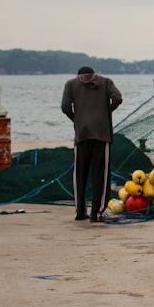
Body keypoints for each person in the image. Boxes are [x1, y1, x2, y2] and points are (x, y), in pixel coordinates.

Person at [61, 66, 123, 223]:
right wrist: (106, 112)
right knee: (101, 175)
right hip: (102, 134)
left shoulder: (70, 84)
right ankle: (97, 213)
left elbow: (65, 107)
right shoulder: (106, 82)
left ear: (79, 75)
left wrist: (77, 119)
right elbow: (117, 98)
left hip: (81, 135)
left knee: (79, 175)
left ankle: (80, 211)